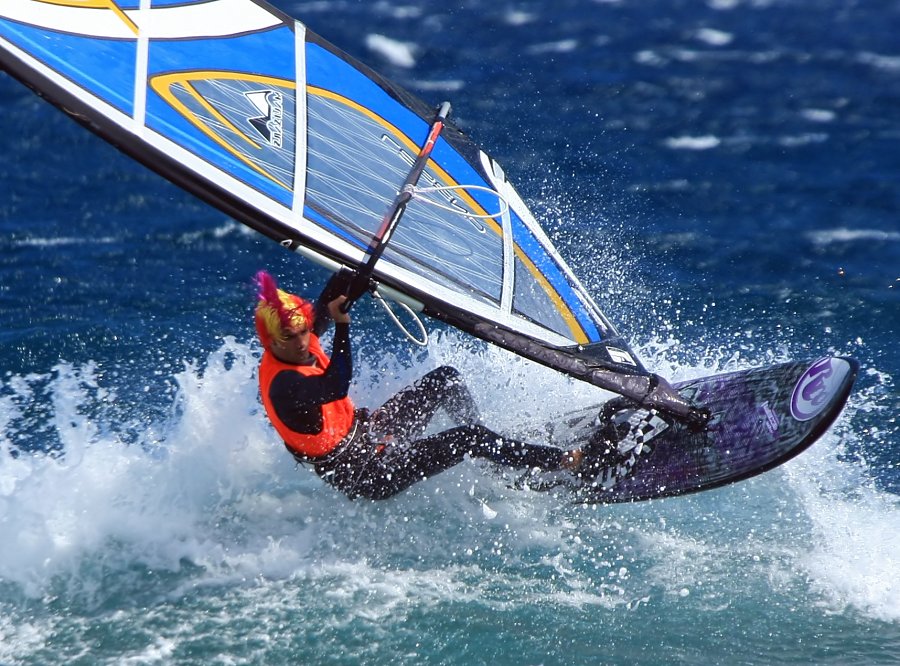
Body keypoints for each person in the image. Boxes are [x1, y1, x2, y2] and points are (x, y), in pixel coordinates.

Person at [253, 270, 582, 500]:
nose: (301, 342)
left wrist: (357, 272)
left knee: (446, 379)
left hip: (370, 433)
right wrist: (342, 326)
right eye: (289, 337)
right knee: (467, 438)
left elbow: (331, 298)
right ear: (270, 341)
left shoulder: (296, 339)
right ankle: (561, 461)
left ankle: (492, 455)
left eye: (303, 332)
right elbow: (336, 385)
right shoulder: (285, 385)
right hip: (364, 472)